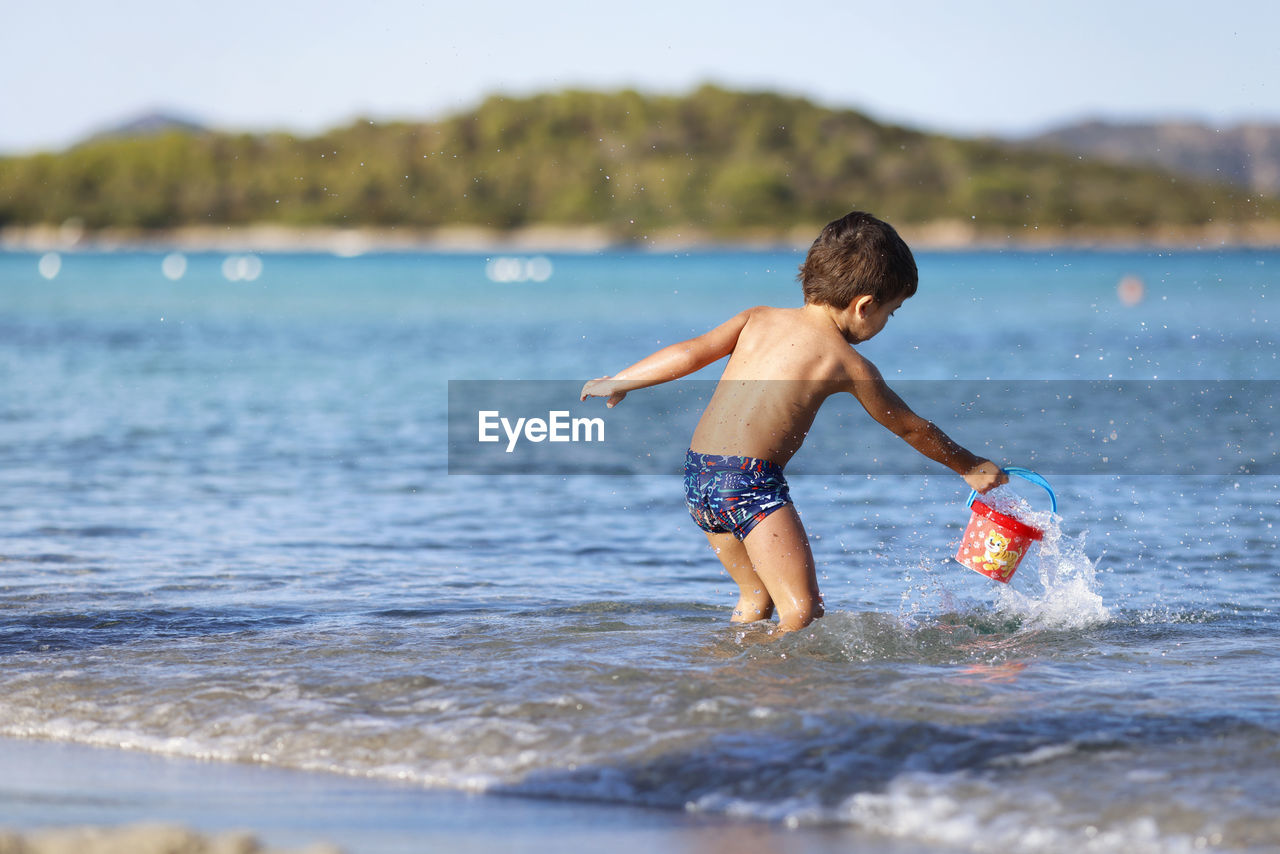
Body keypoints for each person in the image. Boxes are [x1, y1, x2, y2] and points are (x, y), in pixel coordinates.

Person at [580, 212, 1007, 633]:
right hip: (749, 485)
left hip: (699, 476)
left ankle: (724, 678)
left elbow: (692, 352)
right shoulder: (846, 362)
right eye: (890, 313)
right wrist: (969, 466)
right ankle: (775, 694)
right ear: (865, 306)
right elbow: (909, 427)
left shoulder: (757, 318)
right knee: (801, 613)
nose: (885, 323)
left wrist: (622, 381)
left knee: (756, 598)